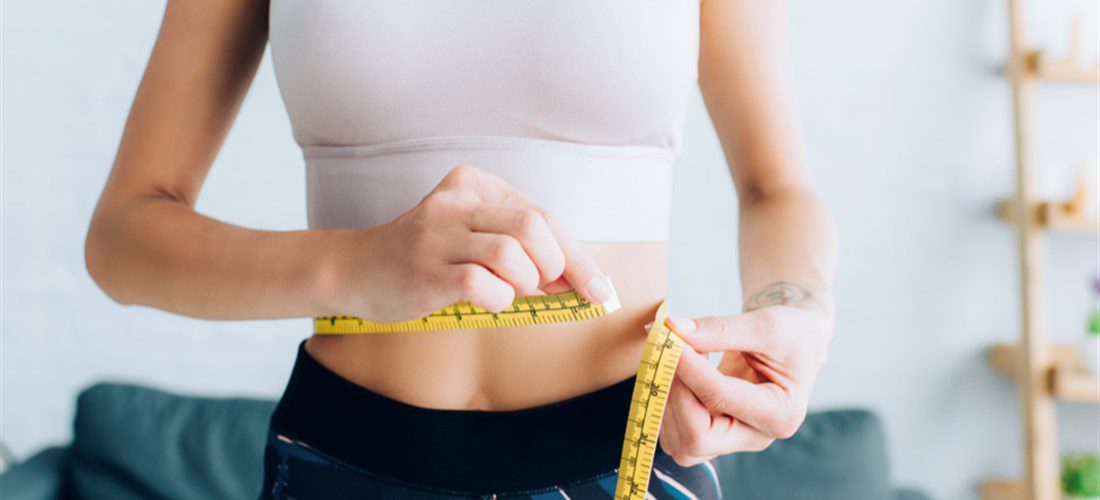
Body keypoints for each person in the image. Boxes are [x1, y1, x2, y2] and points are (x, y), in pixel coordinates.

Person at [85, 0, 837, 498]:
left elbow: (777, 187)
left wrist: (795, 312)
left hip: (632, 449)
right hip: (348, 451)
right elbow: (123, 235)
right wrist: (353, 267)